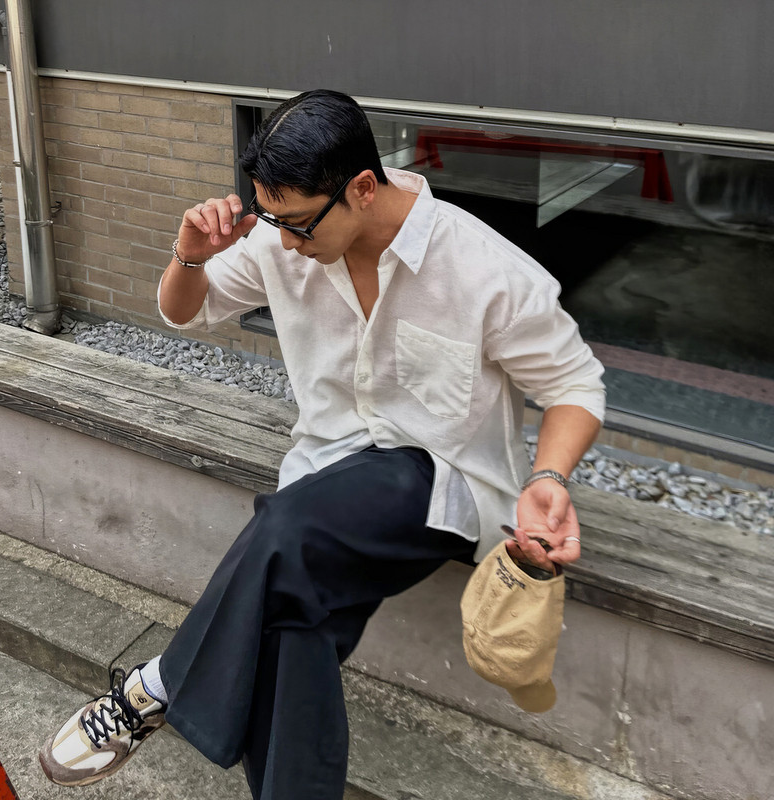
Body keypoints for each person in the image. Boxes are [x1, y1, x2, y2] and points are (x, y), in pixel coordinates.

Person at [39, 89, 605, 798]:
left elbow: (575, 385)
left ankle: (159, 685)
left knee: (284, 529)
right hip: (326, 473)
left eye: (299, 223)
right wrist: (189, 257)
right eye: (272, 219)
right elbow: (185, 311)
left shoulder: (483, 268)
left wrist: (548, 476)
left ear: (362, 188)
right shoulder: (287, 235)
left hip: (441, 482)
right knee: (288, 636)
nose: (284, 242)